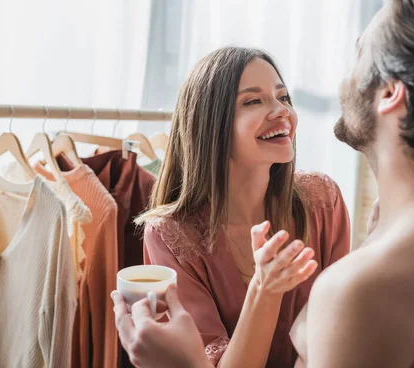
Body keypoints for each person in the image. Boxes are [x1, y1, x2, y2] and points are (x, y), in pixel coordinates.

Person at [112, 0, 414, 368]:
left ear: (390, 93)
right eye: (254, 100)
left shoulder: (355, 292)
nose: (343, 80)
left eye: (358, 55)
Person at [131, 47, 351, 367]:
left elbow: (339, 333)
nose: (281, 111)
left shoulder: (322, 200)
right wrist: (265, 288)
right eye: (253, 101)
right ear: (210, 124)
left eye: (283, 97)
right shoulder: (170, 234)